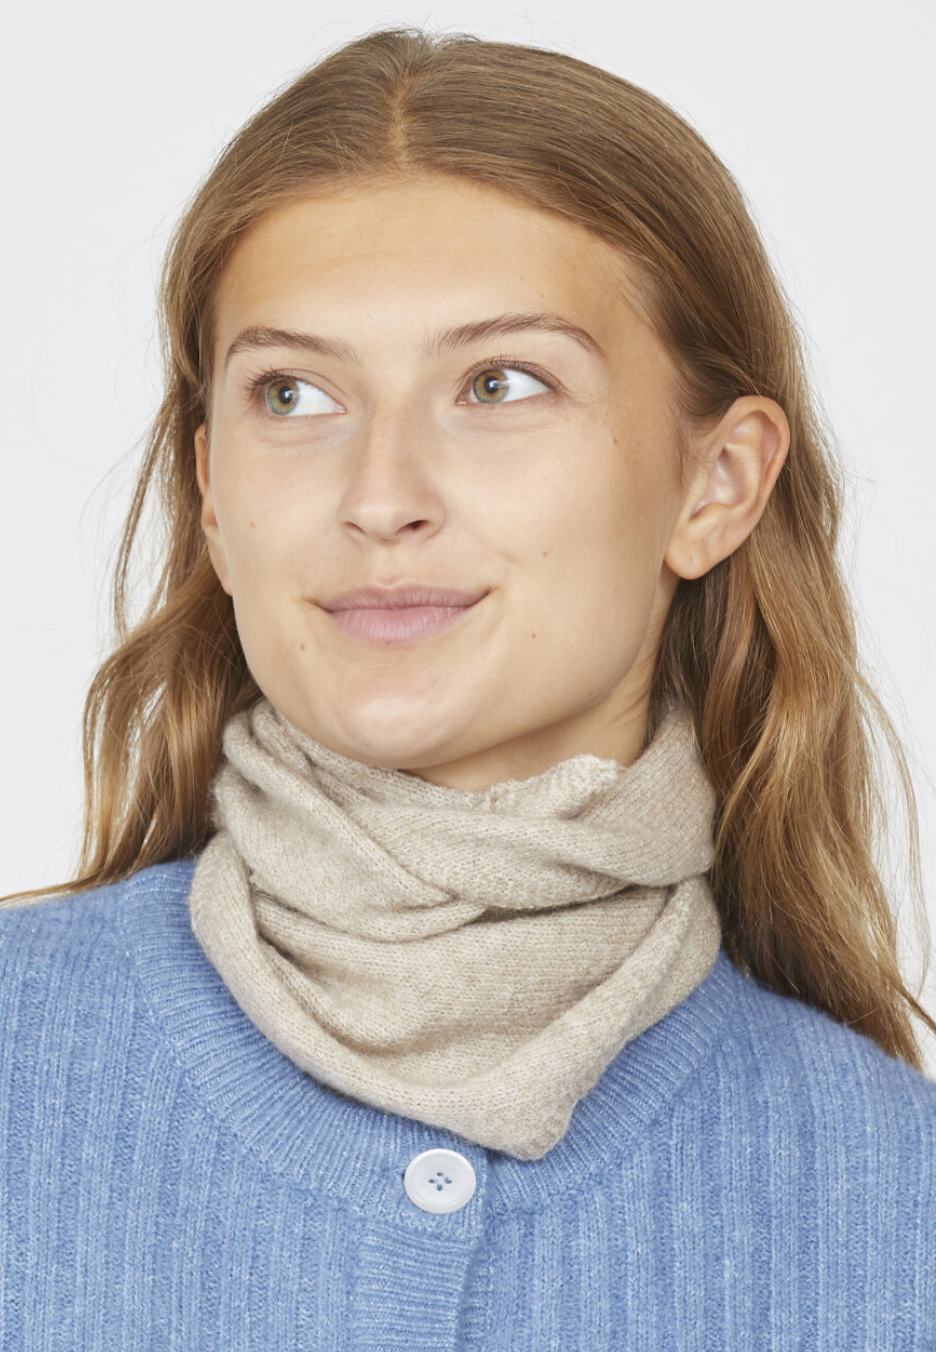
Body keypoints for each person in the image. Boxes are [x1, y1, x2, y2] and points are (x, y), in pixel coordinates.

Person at [2, 23, 934, 1348]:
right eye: (293, 394)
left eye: (499, 384)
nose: (380, 496)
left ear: (716, 484)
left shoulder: (897, 1194)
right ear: (212, 489)